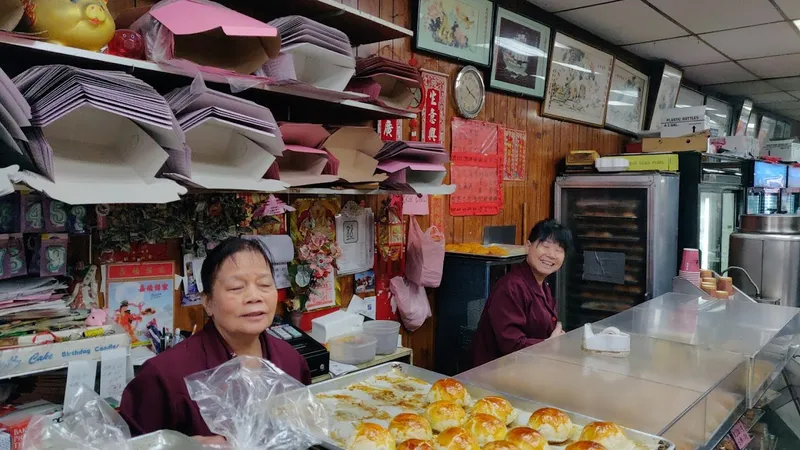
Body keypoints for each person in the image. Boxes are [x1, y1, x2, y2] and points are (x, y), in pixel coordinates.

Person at [120, 238, 311, 444]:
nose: (254, 297)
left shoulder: (292, 361)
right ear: (208, 302)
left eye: (264, 285)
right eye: (236, 288)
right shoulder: (165, 377)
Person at [467, 219, 573, 369]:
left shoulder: (543, 284)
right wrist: (550, 344)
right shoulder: (511, 287)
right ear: (528, 247)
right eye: (545, 246)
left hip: (527, 368)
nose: (551, 254)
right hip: (494, 375)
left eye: (559, 250)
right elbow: (511, 344)